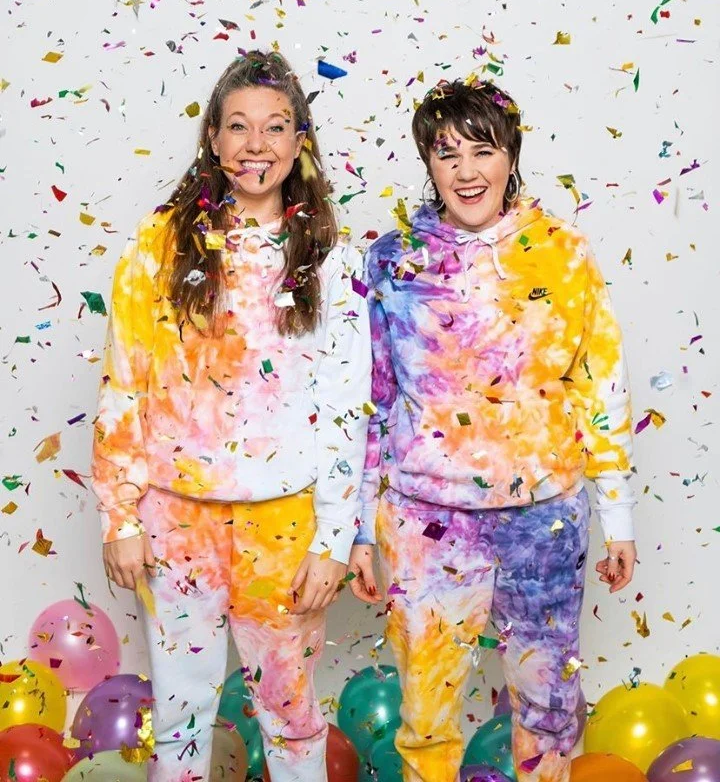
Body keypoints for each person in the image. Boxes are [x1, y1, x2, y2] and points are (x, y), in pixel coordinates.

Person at [92, 50, 371, 782]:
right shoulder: (157, 247)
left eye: (275, 127)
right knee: (181, 712)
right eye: (239, 127)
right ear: (212, 138)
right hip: (175, 519)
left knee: (290, 712)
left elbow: (349, 407)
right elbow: (127, 382)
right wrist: (120, 517)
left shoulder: (327, 261)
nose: (256, 145)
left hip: (284, 524)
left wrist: (336, 538)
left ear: (299, 140)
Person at [348, 76, 637, 782]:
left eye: (484, 150)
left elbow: (601, 385)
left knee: (546, 714)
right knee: (426, 715)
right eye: (448, 154)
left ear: (512, 155)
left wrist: (617, 514)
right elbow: (371, 402)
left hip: (544, 520)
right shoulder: (392, 263)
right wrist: (357, 526)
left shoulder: (564, 255)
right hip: (424, 522)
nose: (467, 171)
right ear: (427, 163)